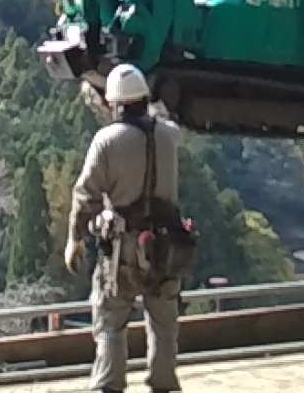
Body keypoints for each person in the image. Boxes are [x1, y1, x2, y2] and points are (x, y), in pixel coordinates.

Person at [65, 63, 193, 393]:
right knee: (164, 322)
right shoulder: (169, 136)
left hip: (123, 246)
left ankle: (109, 385)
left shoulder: (107, 141)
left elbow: (85, 196)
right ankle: (164, 384)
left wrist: (74, 238)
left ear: (114, 104)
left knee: (111, 320)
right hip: (166, 245)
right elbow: (167, 124)